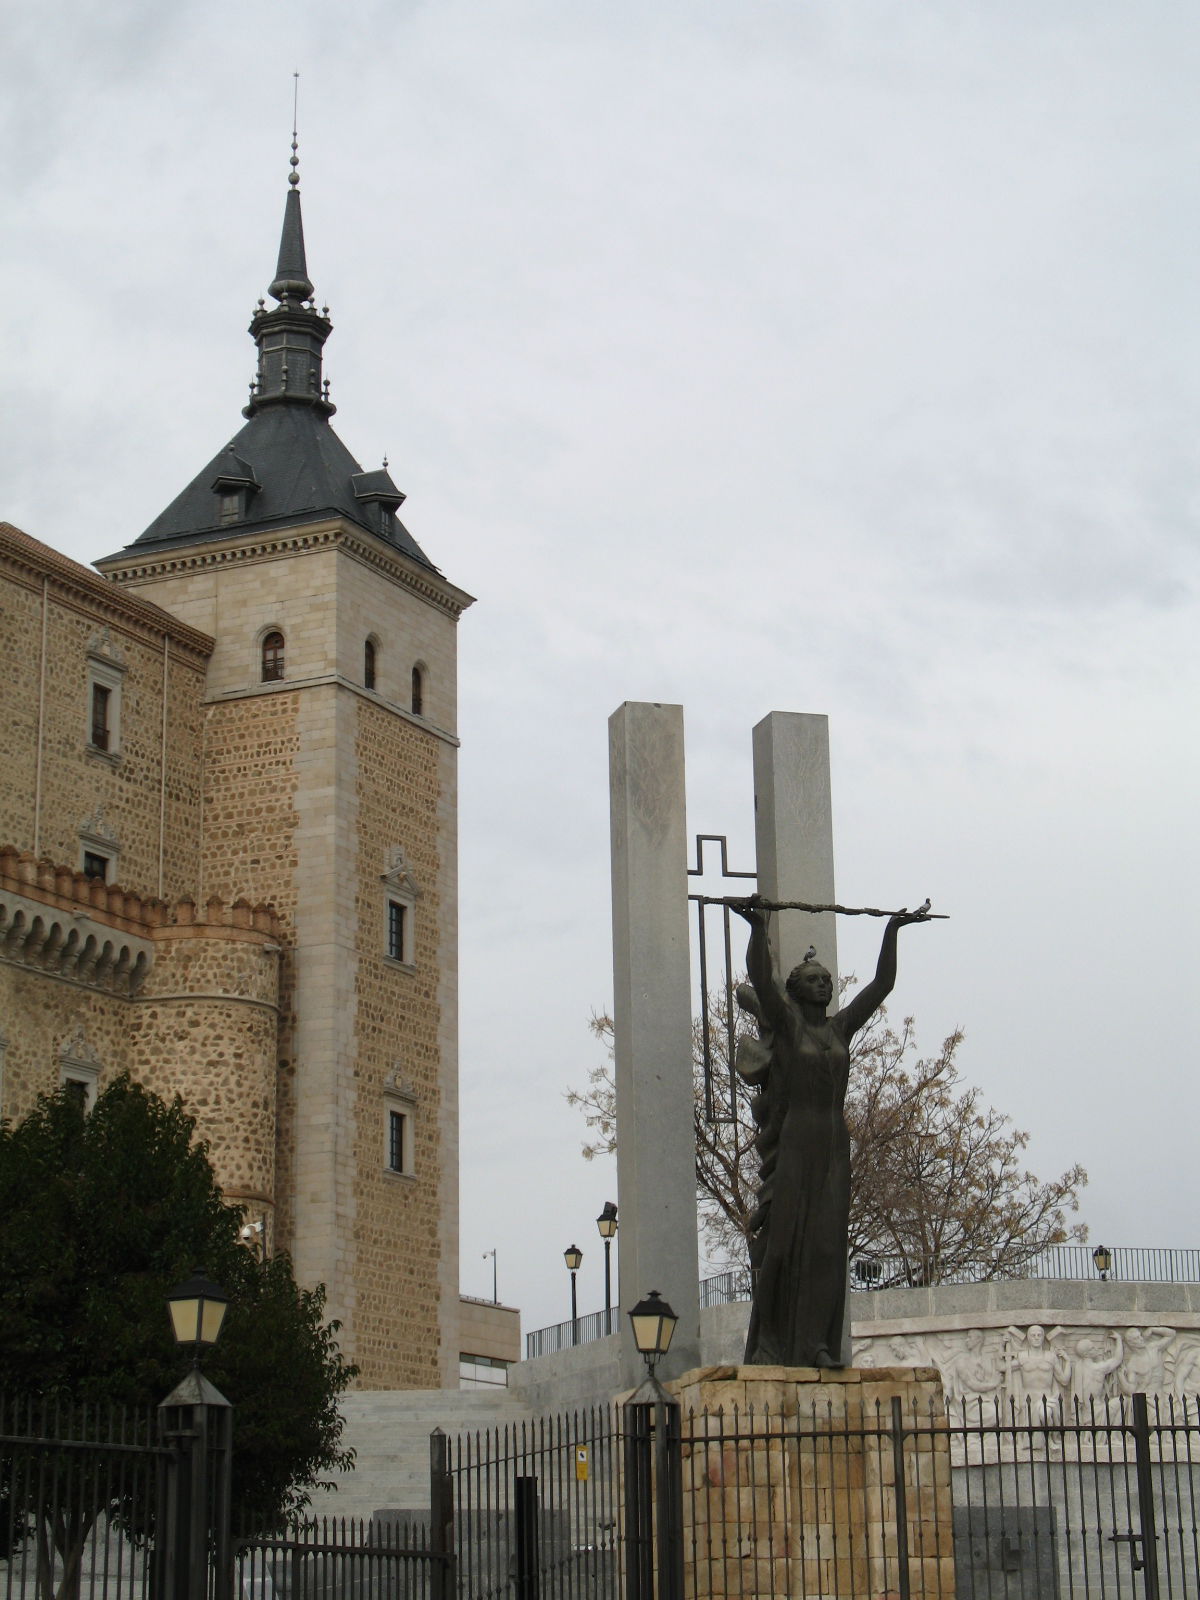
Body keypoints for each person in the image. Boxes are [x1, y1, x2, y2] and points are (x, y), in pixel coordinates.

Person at [730, 895, 930, 1368]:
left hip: (834, 1144)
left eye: (827, 981)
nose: (824, 985)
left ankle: (818, 1343)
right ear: (797, 991)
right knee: (783, 1244)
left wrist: (892, 931)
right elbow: (761, 978)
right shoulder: (789, 1025)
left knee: (826, 1246)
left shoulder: (840, 1029)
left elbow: (882, 985)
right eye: (814, 981)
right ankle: (773, 1342)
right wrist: (758, 929)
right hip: (797, 1140)